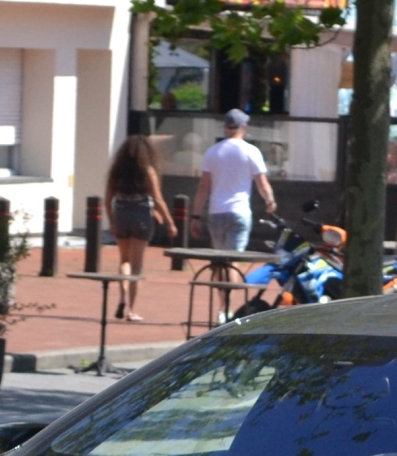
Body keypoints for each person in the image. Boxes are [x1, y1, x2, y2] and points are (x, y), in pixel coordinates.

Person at [103, 134, 175, 322]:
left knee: (124, 260)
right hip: (142, 216)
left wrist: (111, 221)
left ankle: (122, 298)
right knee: (137, 266)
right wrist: (170, 222)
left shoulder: (116, 171)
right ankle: (131, 310)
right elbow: (157, 199)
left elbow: (108, 199)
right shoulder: (147, 170)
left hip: (121, 214)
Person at [194, 108, 273, 251]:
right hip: (239, 211)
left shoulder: (212, 152)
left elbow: (204, 187)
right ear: (243, 127)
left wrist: (196, 215)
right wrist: (270, 201)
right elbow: (262, 184)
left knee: (219, 260)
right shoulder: (252, 151)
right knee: (232, 261)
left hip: (216, 212)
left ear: (225, 127)